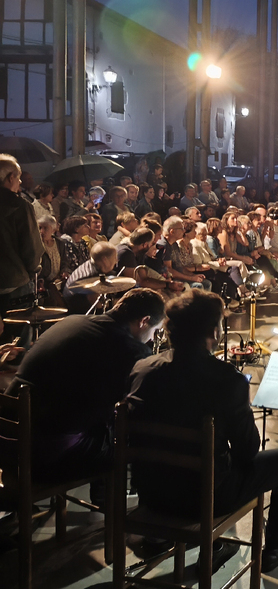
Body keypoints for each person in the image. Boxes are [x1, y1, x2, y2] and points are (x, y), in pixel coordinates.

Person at [126, 290, 278, 573]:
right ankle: (275, 547)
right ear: (213, 331)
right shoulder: (227, 380)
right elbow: (248, 452)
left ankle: (162, 539)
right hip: (203, 500)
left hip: (150, 493)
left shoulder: (142, 370)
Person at [13, 288, 166, 483]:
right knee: (126, 449)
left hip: (9, 441)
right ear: (144, 321)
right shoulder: (131, 350)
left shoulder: (70, 322)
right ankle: (107, 501)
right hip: (44, 457)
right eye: (154, 330)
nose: (152, 338)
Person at [0, 154, 44, 315]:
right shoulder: (20, 206)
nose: (20, 182)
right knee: (20, 327)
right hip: (14, 282)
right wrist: (33, 271)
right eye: (18, 178)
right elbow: (32, 248)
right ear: (10, 178)